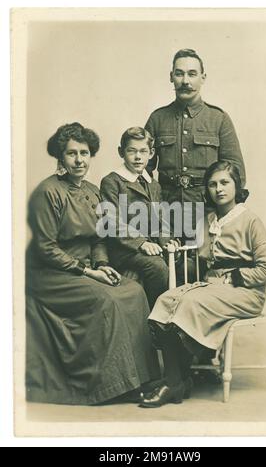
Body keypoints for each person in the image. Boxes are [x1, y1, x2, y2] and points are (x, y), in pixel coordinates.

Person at [26, 122, 159, 406]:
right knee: (106, 299)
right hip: (52, 274)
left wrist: (101, 264)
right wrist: (87, 271)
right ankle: (112, 385)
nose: (79, 160)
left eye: (84, 153)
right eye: (71, 154)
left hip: (87, 266)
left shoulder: (92, 191)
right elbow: (45, 248)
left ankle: (141, 379)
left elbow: (100, 238)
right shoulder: (48, 192)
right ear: (60, 157)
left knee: (133, 291)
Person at [139, 161, 266, 408]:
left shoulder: (251, 221)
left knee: (188, 302)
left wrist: (234, 277)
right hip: (214, 289)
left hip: (244, 292)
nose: (218, 189)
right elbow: (196, 254)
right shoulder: (208, 219)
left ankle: (173, 382)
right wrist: (176, 250)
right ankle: (178, 379)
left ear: (237, 185)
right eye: (213, 184)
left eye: (225, 183)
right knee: (166, 299)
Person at [145, 48, 246, 218]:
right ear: (171, 77)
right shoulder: (157, 119)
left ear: (203, 78)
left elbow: (236, 174)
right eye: (179, 74)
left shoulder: (218, 119)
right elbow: (140, 170)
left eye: (192, 74)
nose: (185, 81)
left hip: (209, 213)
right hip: (166, 213)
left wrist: (222, 215)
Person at [100, 127, 179, 309]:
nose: (138, 157)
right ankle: (154, 318)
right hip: (125, 250)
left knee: (186, 265)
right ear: (121, 152)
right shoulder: (112, 182)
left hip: (151, 246)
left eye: (143, 151)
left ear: (151, 153)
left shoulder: (153, 184)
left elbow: (162, 221)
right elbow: (112, 222)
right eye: (131, 151)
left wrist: (169, 241)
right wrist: (141, 243)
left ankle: (175, 318)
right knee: (157, 268)